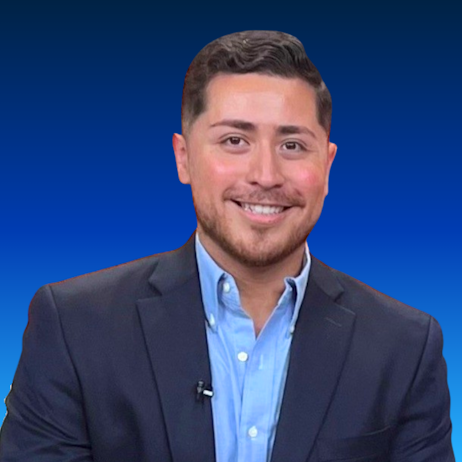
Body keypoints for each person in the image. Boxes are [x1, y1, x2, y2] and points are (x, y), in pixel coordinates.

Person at [0, 30, 455, 462]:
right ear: (183, 158)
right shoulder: (74, 327)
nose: (265, 175)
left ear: (327, 164)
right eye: (235, 141)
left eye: (293, 145)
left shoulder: (406, 348)